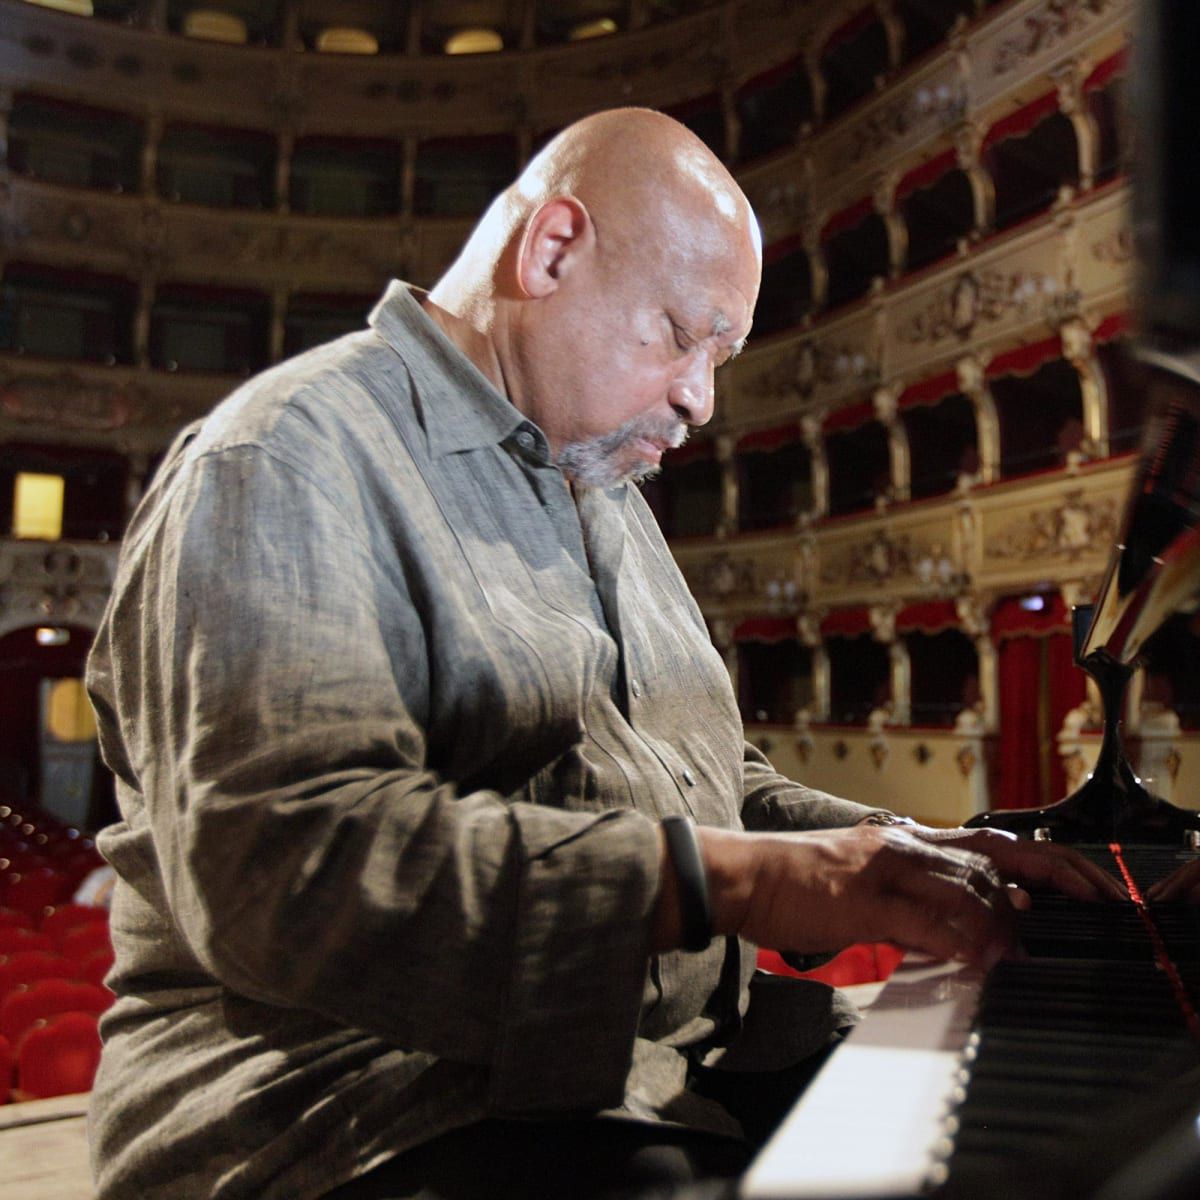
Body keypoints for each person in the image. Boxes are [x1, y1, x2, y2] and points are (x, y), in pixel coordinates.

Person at [84, 108, 1122, 1200]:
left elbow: (701, 784)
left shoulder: (602, 486)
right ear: (553, 250)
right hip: (348, 1106)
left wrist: (902, 851)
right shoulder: (288, 454)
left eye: (720, 358)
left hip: (646, 1064)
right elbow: (286, 872)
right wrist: (754, 883)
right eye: (683, 334)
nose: (699, 399)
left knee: (1019, 1140)